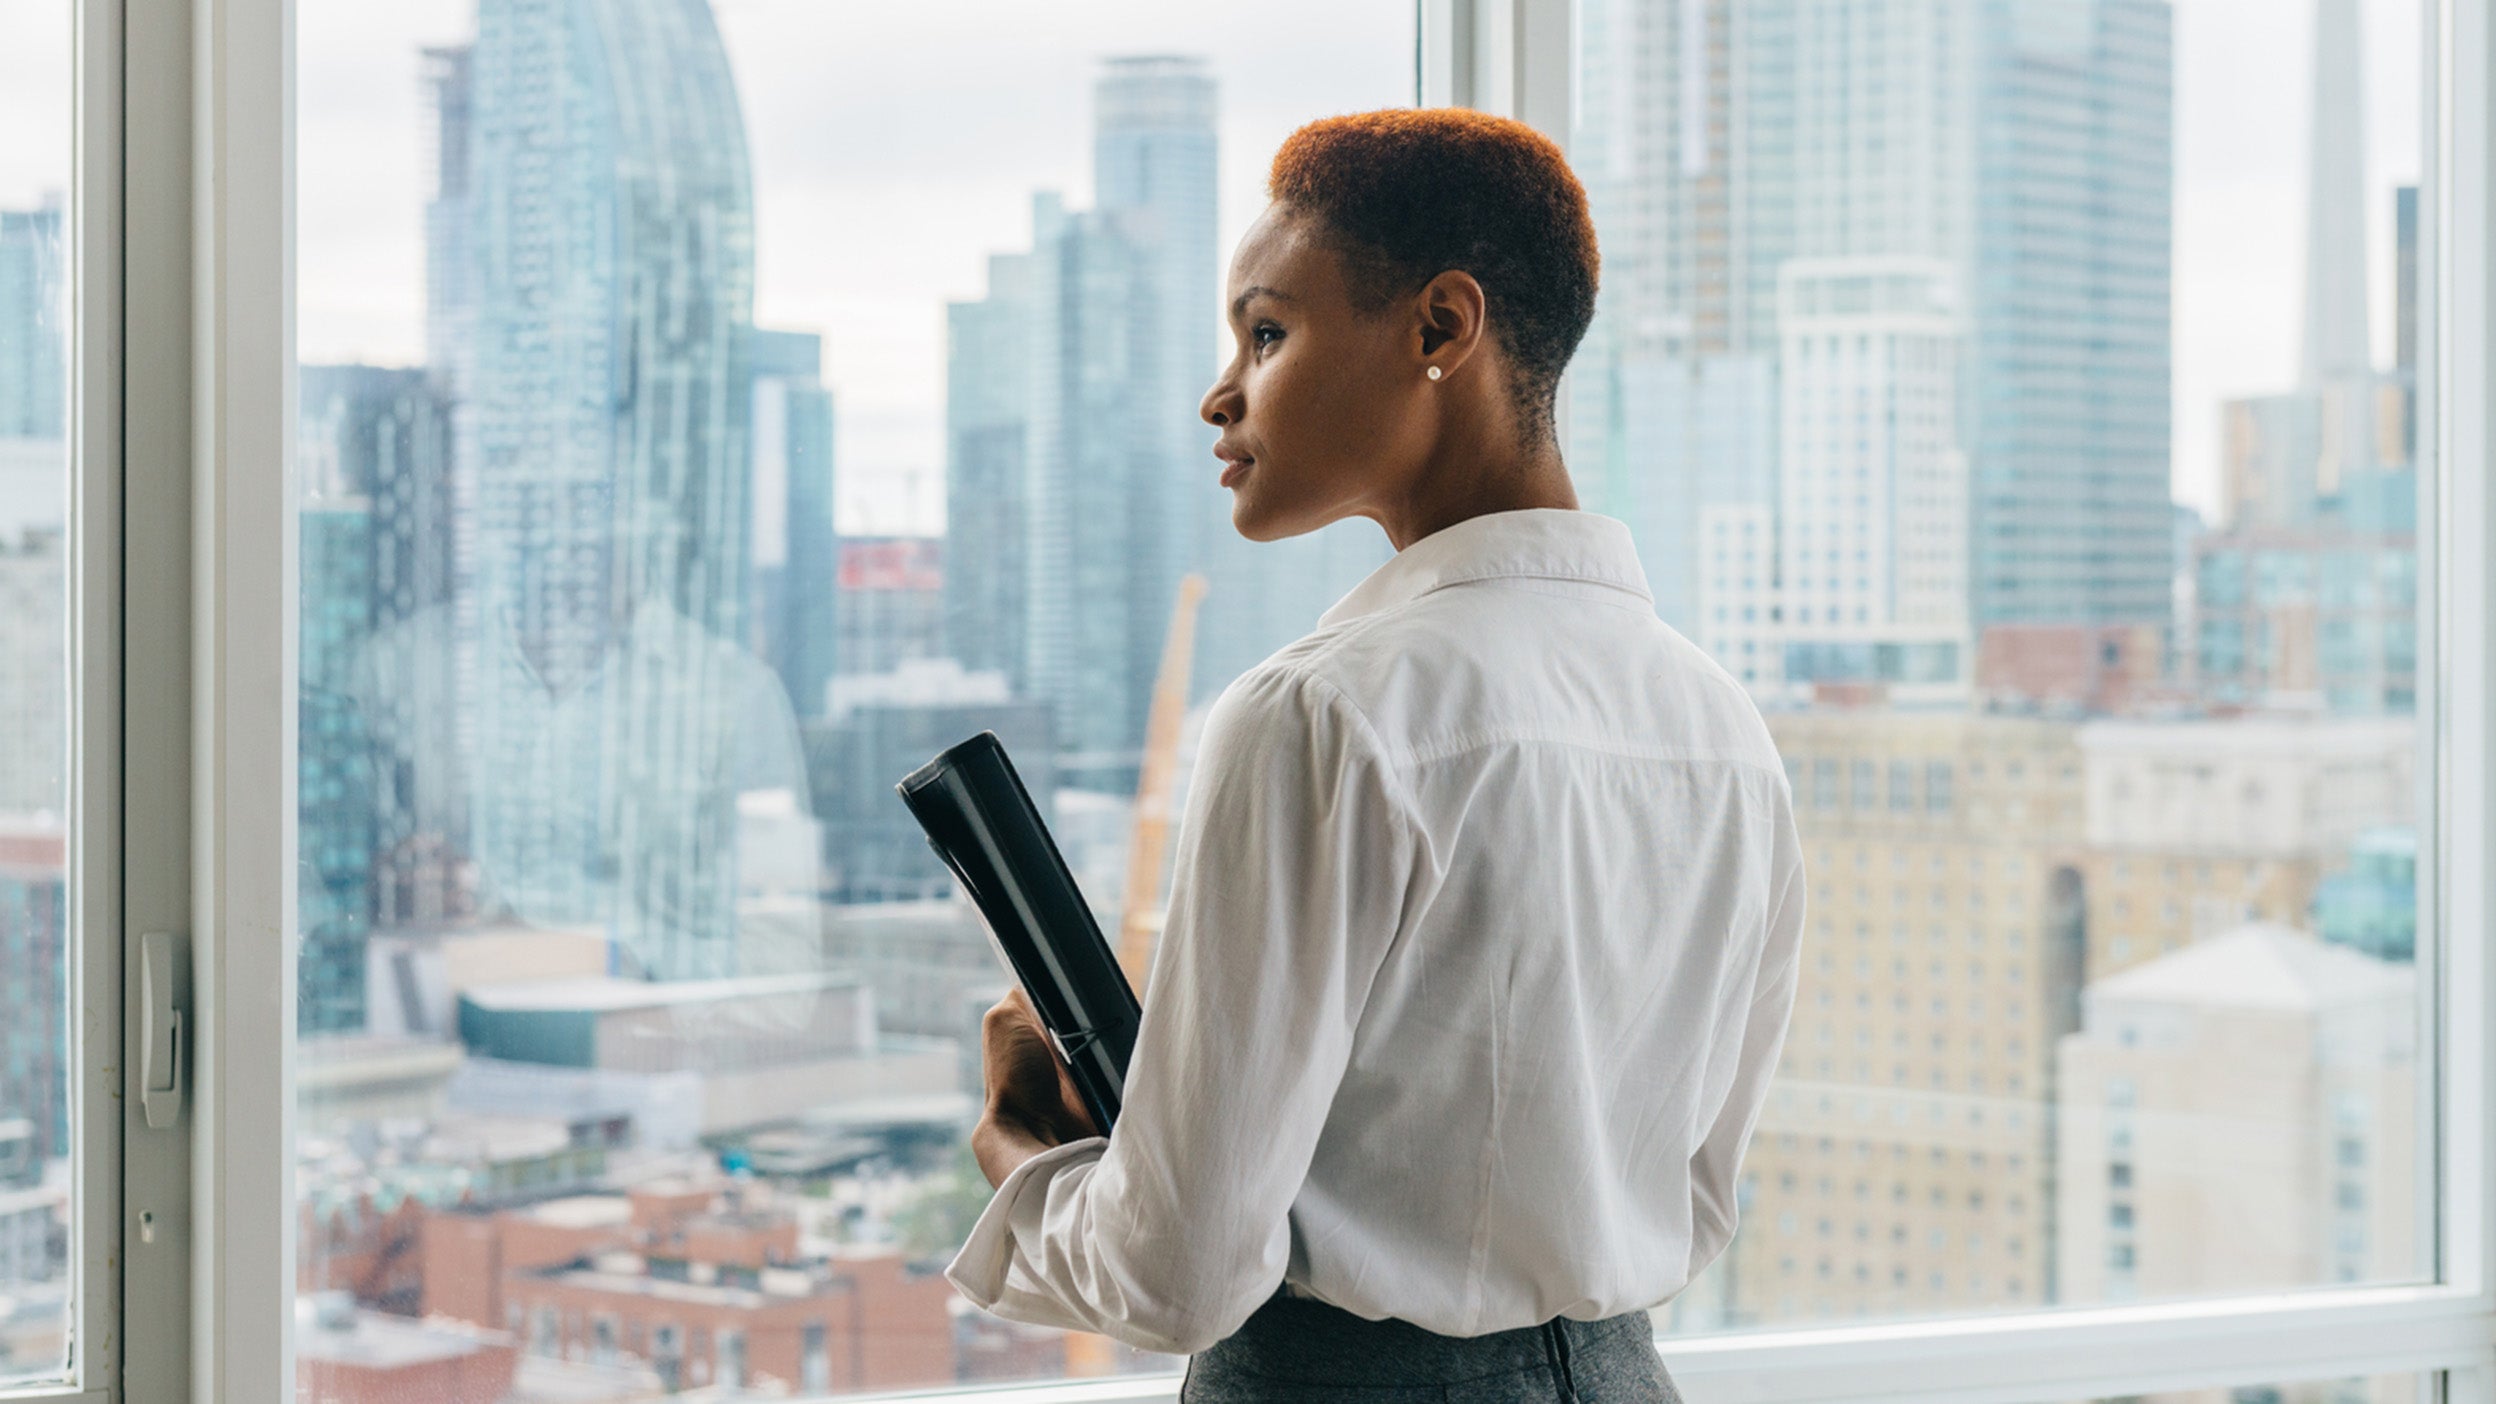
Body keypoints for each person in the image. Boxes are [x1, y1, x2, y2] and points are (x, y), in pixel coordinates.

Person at [946, 108, 1806, 1402]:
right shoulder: (1723, 732)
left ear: (1439, 330)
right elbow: (1692, 1183)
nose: (1220, 391)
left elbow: (1176, 1273)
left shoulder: (1319, 716)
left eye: (1268, 331)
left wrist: (1025, 1157)